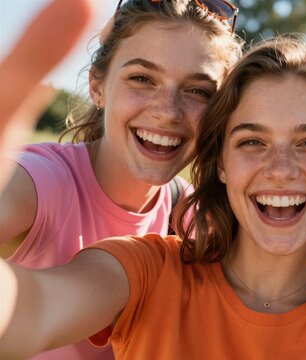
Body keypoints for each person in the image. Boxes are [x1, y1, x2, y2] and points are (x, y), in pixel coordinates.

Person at [0, 37, 306, 359]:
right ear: (222, 164)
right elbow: (30, 312)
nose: (281, 169)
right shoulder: (146, 271)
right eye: (252, 141)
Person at [0, 0, 242, 358]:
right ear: (98, 85)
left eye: (197, 91)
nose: (167, 111)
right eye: (142, 79)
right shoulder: (45, 180)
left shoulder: (193, 218)